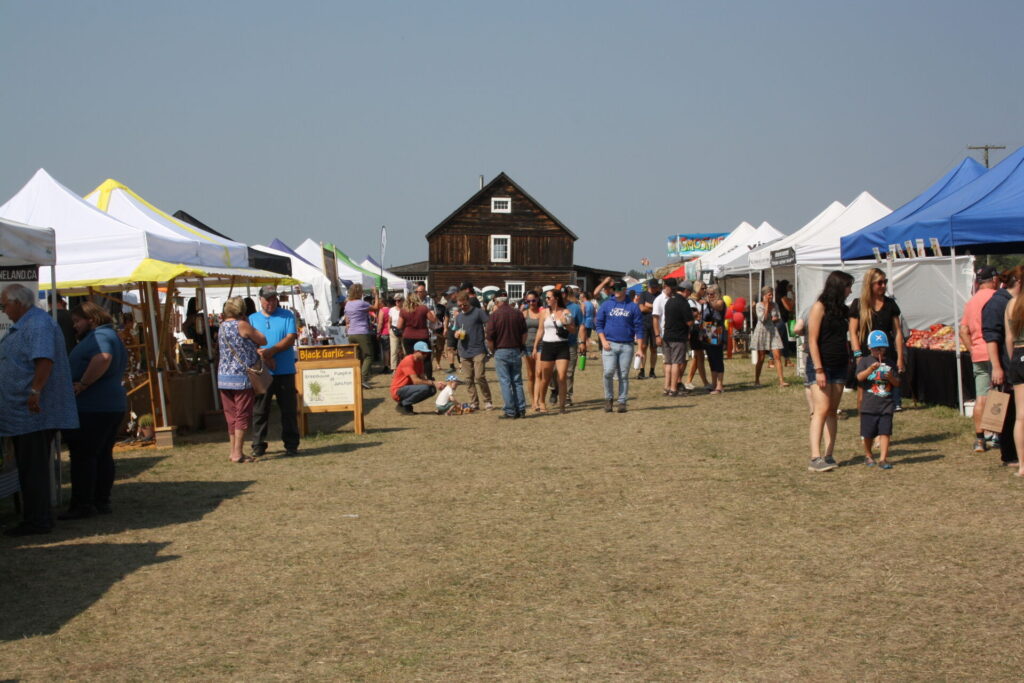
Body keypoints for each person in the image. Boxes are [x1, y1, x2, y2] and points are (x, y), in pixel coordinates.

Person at [0, 284, 77, 536]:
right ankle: (35, 516)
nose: (4, 311)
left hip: (33, 412)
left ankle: (38, 520)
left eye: (5, 306)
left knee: (33, 468)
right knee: (29, 466)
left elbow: (44, 359)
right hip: (24, 412)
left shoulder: (36, 324)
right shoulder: (29, 323)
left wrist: (35, 391)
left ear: (18, 302)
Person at [58, 301, 128, 520]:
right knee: (101, 455)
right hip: (107, 405)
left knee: (84, 456)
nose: (75, 326)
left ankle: (84, 504)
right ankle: (99, 500)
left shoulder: (100, 337)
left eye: (77, 321)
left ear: (91, 319)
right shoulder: (109, 335)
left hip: (95, 406)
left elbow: (103, 358)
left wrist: (83, 384)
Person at [806, 270, 855, 473]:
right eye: (848, 286)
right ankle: (815, 456)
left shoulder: (843, 310)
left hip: (839, 364)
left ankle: (829, 453)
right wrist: (818, 369)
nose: (850, 290)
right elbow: (812, 340)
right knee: (822, 409)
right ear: (838, 286)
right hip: (821, 365)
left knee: (832, 411)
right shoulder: (819, 307)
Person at [248, 285, 300, 457]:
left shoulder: (287, 315)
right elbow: (249, 343)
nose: (271, 302)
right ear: (260, 299)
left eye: (273, 298)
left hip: (284, 370)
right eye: (267, 299)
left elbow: (290, 337)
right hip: (262, 372)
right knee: (260, 409)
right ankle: (258, 445)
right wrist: (265, 355)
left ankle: (291, 444)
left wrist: (272, 352)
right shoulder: (252, 319)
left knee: (288, 409)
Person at [217, 297, 267, 463]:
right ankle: (238, 453)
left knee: (230, 415)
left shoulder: (222, 327)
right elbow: (262, 339)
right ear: (242, 311)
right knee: (242, 414)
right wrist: (246, 322)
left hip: (223, 376)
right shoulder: (242, 325)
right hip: (241, 376)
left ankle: (233, 451)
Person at [849, 268, 905, 412]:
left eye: (885, 282)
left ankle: (885, 420)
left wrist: (900, 358)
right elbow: (853, 331)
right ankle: (865, 423)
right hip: (866, 353)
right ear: (870, 284)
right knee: (864, 390)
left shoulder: (890, 304)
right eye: (879, 282)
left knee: (884, 389)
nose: (883, 285)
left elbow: (897, 332)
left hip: (887, 352)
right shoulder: (859, 304)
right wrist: (857, 355)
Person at [960, 265, 1000, 453]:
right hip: (995, 352)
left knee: (981, 396)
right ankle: (997, 435)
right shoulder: (997, 298)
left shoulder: (971, 302)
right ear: (994, 280)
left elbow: (963, 331)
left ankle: (980, 439)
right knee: (998, 395)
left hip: (978, 353)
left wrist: (973, 349)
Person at [986, 266, 1023, 467]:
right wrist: (998, 367)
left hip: (1012, 364)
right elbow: (992, 337)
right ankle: (1009, 455)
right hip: (1007, 366)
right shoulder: (998, 303)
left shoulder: (1009, 302)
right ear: (1018, 281)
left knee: (1014, 412)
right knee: (1006, 413)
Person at [596, 280, 645, 413]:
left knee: (623, 375)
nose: (615, 290)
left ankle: (622, 401)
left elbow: (639, 328)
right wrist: (603, 341)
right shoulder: (606, 305)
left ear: (625, 289)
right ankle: (608, 399)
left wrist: (640, 348)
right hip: (609, 345)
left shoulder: (633, 306)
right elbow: (599, 325)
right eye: (614, 288)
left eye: (618, 288)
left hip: (627, 345)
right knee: (608, 373)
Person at [856, 330, 900, 469]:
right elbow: (859, 378)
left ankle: (883, 459)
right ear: (869, 348)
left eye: (882, 348)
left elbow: (898, 383)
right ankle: (868, 455)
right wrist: (869, 370)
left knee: (885, 432)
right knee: (867, 433)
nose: (879, 351)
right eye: (876, 348)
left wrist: (891, 377)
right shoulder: (864, 361)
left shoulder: (890, 363)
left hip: (886, 404)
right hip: (869, 405)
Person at [486, 288, 529, 418]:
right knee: (517, 381)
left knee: (505, 382)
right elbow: (524, 334)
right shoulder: (518, 313)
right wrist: (521, 346)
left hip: (501, 350)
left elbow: (489, 338)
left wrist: (493, 351)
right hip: (516, 349)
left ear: (496, 301)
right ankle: (521, 409)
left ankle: (510, 410)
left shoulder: (495, 315)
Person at [533, 287, 577, 414]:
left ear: (556, 298)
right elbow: (540, 330)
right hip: (547, 346)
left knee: (562, 376)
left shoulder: (566, 312)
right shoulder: (544, 312)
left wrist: (566, 323)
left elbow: (573, 330)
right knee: (545, 378)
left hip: (562, 346)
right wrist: (536, 346)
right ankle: (542, 402)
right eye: (545, 297)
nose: (546, 299)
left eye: (548, 297)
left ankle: (562, 405)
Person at [453, 292, 492, 410]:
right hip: (464, 350)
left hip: (478, 349)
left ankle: (487, 400)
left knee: (480, 376)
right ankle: (474, 402)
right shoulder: (459, 317)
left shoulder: (478, 312)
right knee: (468, 379)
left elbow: (489, 324)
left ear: (468, 301)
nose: (462, 308)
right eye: (459, 306)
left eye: (464, 305)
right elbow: (456, 330)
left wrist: (487, 335)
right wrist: (456, 334)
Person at [549, 287, 585, 406]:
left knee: (569, 372)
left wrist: (582, 342)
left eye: (564, 293)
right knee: (553, 370)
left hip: (570, 343)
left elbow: (581, 325)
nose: (562, 295)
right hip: (555, 343)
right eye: (560, 293)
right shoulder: (551, 307)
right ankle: (554, 390)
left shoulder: (575, 308)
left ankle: (568, 395)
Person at [659, 279, 694, 396]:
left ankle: (667, 387)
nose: (690, 294)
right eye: (690, 292)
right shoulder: (683, 303)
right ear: (686, 291)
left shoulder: (669, 301)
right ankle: (674, 389)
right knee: (676, 363)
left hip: (667, 336)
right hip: (678, 337)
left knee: (668, 362)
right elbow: (689, 322)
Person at [391, 341, 445, 415]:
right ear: (416, 351)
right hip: (398, 390)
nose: (425, 355)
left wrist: (437, 384)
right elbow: (416, 381)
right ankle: (403, 404)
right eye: (423, 353)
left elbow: (423, 378)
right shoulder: (408, 360)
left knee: (432, 390)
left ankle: (406, 404)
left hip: (408, 388)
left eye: (426, 353)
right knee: (426, 388)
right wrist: (433, 383)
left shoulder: (419, 361)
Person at [343, 283, 380, 388]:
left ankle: (356, 378)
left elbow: (347, 319)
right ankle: (363, 378)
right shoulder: (361, 303)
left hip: (351, 333)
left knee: (357, 357)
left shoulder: (348, 304)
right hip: (362, 332)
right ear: (360, 292)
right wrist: (376, 295)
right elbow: (376, 307)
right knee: (369, 355)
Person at [752, 286, 789, 387]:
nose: (771, 296)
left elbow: (777, 317)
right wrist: (767, 306)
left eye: (772, 294)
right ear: (764, 295)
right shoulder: (759, 305)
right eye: (769, 295)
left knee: (777, 356)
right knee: (761, 357)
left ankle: (781, 381)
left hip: (772, 330)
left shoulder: (775, 304)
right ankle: (756, 380)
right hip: (761, 331)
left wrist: (774, 318)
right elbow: (763, 319)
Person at [397, 293, 437, 380]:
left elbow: (399, 326)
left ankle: (412, 377)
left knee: (410, 358)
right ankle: (429, 377)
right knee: (426, 358)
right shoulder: (423, 308)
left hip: (408, 336)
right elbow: (433, 319)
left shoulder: (404, 310)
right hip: (422, 335)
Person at [700, 285, 727, 394]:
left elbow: (717, 307)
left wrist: (708, 302)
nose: (710, 296)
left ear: (717, 293)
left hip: (716, 330)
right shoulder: (709, 304)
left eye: (712, 294)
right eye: (708, 294)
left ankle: (719, 386)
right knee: (711, 358)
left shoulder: (720, 302)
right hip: (708, 329)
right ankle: (714, 383)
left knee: (717, 358)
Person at [685, 280, 710, 390]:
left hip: (705, 328)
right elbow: (693, 315)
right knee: (698, 356)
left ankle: (690, 380)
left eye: (705, 288)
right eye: (702, 288)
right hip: (695, 329)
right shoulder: (691, 301)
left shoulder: (703, 301)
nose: (704, 290)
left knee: (698, 356)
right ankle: (703, 381)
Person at [522, 291, 543, 411]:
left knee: (539, 373)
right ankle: (532, 401)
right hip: (527, 346)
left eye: (533, 300)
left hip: (540, 345)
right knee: (530, 375)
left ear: (537, 300)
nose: (531, 303)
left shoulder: (542, 313)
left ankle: (538, 401)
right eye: (528, 301)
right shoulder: (524, 313)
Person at [637, 279, 661, 379]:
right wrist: (655, 308)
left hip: (656, 326)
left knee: (654, 349)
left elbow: (661, 309)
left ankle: (652, 370)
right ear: (649, 286)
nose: (654, 289)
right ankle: (642, 371)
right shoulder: (643, 294)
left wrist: (649, 305)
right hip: (644, 324)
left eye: (655, 287)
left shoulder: (660, 295)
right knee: (643, 347)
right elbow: (642, 308)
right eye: (652, 287)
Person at [775, 280, 796, 365]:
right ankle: (774, 358)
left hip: (781, 320)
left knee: (782, 341)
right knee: (782, 341)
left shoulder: (779, 295)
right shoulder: (782, 297)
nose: (790, 287)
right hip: (782, 320)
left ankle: (786, 359)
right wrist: (793, 295)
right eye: (788, 286)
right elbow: (789, 307)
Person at [376, 295, 394, 373]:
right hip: (391, 331)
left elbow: (380, 323)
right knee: (391, 350)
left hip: (384, 332)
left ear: (382, 303)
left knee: (385, 350)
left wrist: (378, 333)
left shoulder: (382, 311)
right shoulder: (390, 310)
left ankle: (386, 366)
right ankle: (391, 365)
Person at [389, 291, 405, 371]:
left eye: (399, 300)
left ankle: (406, 367)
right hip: (394, 330)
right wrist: (390, 330)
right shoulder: (392, 310)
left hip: (404, 330)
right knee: (394, 350)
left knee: (405, 350)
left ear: (402, 301)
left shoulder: (405, 309)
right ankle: (394, 369)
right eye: (396, 300)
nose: (397, 302)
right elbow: (389, 320)